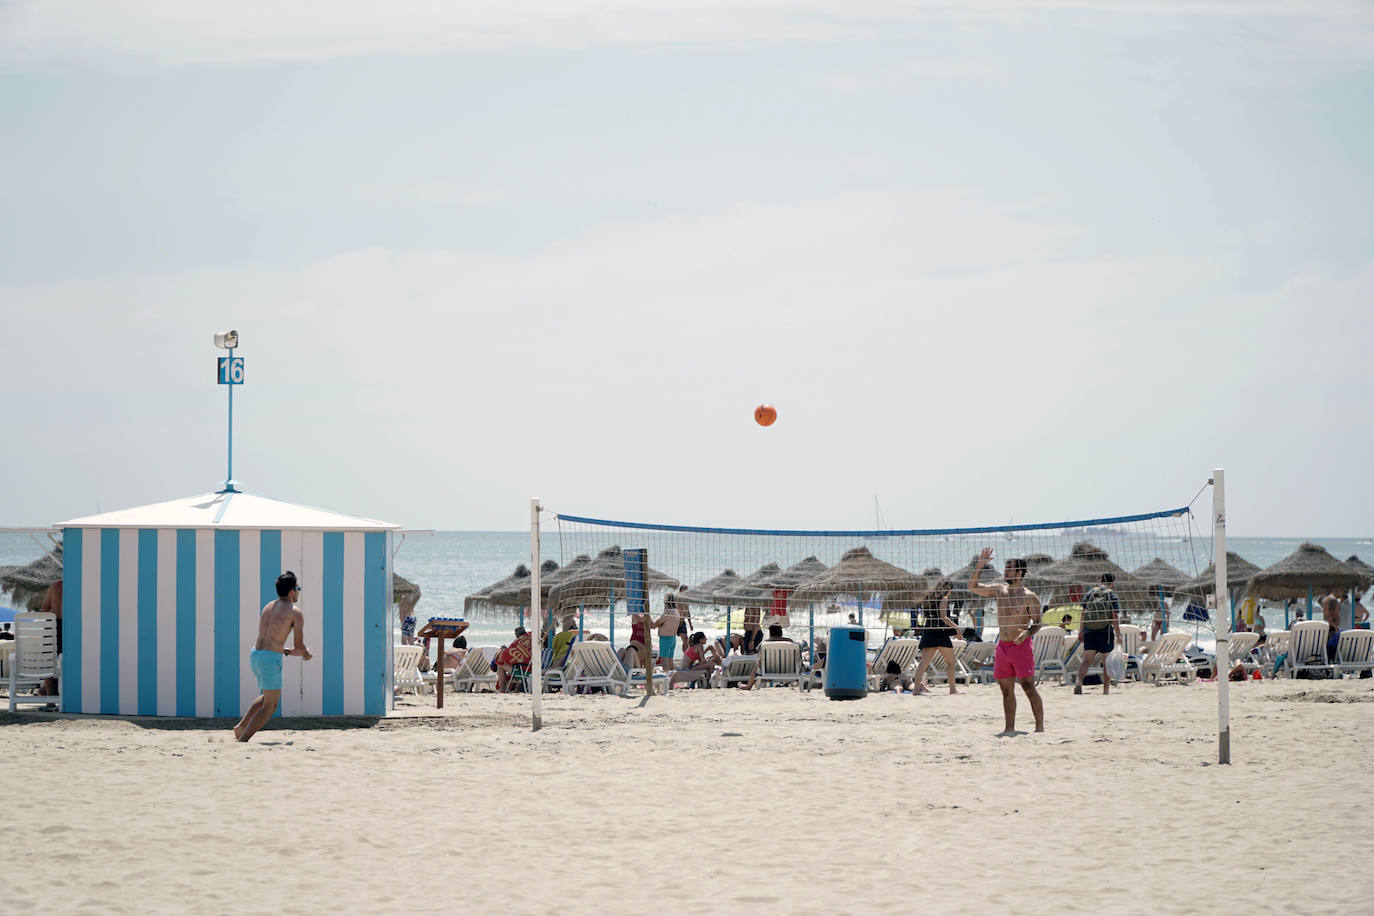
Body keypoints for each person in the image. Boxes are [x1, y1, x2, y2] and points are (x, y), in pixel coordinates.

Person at [968, 548, 1044, 735]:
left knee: (1028, 687)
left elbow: (1038, 623)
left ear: (1019, 572)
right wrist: (980, 564)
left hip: (1021, 646)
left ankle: (1039, 727)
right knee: (1006, 690)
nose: (1006, 571)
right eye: (1006, 568)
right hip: (1003, 647)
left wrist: (1026, 633)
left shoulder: (1029, 596)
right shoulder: (998, 590)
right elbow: (973, 586)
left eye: (1010, 569)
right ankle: (1009, 728)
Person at [234, 571, 313, 742]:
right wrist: (306, 654)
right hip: (269, 660)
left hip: (256, 655)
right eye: (298, 588)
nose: (298, 592)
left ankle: (241, 727)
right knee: (271, 706)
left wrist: (284, 651)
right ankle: (243, 739)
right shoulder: (295, 612)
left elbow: (270, 638)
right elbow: (299, 647)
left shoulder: (269, 606)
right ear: (292, 591)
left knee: (267, 696)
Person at [1074, 573, 1123, 696]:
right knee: (1106, 662)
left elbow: (1083, 613)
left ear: (1099, 580)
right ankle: (1105, 690)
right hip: (1104, 631)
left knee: (1086, 660)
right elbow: (1114, 616)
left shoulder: (1090, 593)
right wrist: (1118, 634)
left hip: (1089, 630)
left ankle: (1079, 683)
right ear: (1112, 583)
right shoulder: (1111, 594)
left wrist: (1081, 631)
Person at [910, 580, 960, 696]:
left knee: (923, 663)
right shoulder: (944, 598)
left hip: (929, 631)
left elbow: (926, 614)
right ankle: (953, 690)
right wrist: (957, 627)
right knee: (951, 662)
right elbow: (943, 617)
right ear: (948, 589)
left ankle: (916, 690)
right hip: (941, 633)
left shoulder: (929, 598)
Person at [35, 579, 63, 698]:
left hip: (52, 624)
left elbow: (45, 608)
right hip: (71, 627)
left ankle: (49, 697)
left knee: (48, 661)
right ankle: (48, 692)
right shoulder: (80, 586)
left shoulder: (56, 585)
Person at [495, 626, 533, 692]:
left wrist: (503, 650)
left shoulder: (517, 642)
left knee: (500, 664)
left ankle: (502, 689)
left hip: (524, 671)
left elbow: (503, 655)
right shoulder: (531, 638)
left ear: (516, 635)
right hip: (534, 668)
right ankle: (514, 686)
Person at [655, 594, 682, 674]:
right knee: (670, 660)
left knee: (664, 661)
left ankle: (666, 679)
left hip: (665, 639)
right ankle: (672, 680)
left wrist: (654, 623)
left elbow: (658, 623)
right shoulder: (676, 612)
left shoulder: (667, 612)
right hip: (673, 638)